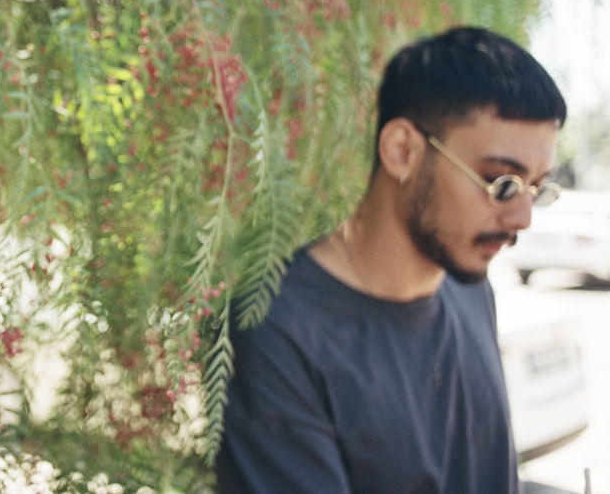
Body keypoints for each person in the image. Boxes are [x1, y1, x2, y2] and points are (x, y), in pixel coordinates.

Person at [216, 26, 567, 493]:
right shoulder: (279, 331)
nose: (522, 217)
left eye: (537, 189)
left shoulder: (471, 289)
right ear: (402, 151)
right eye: (501, 183)